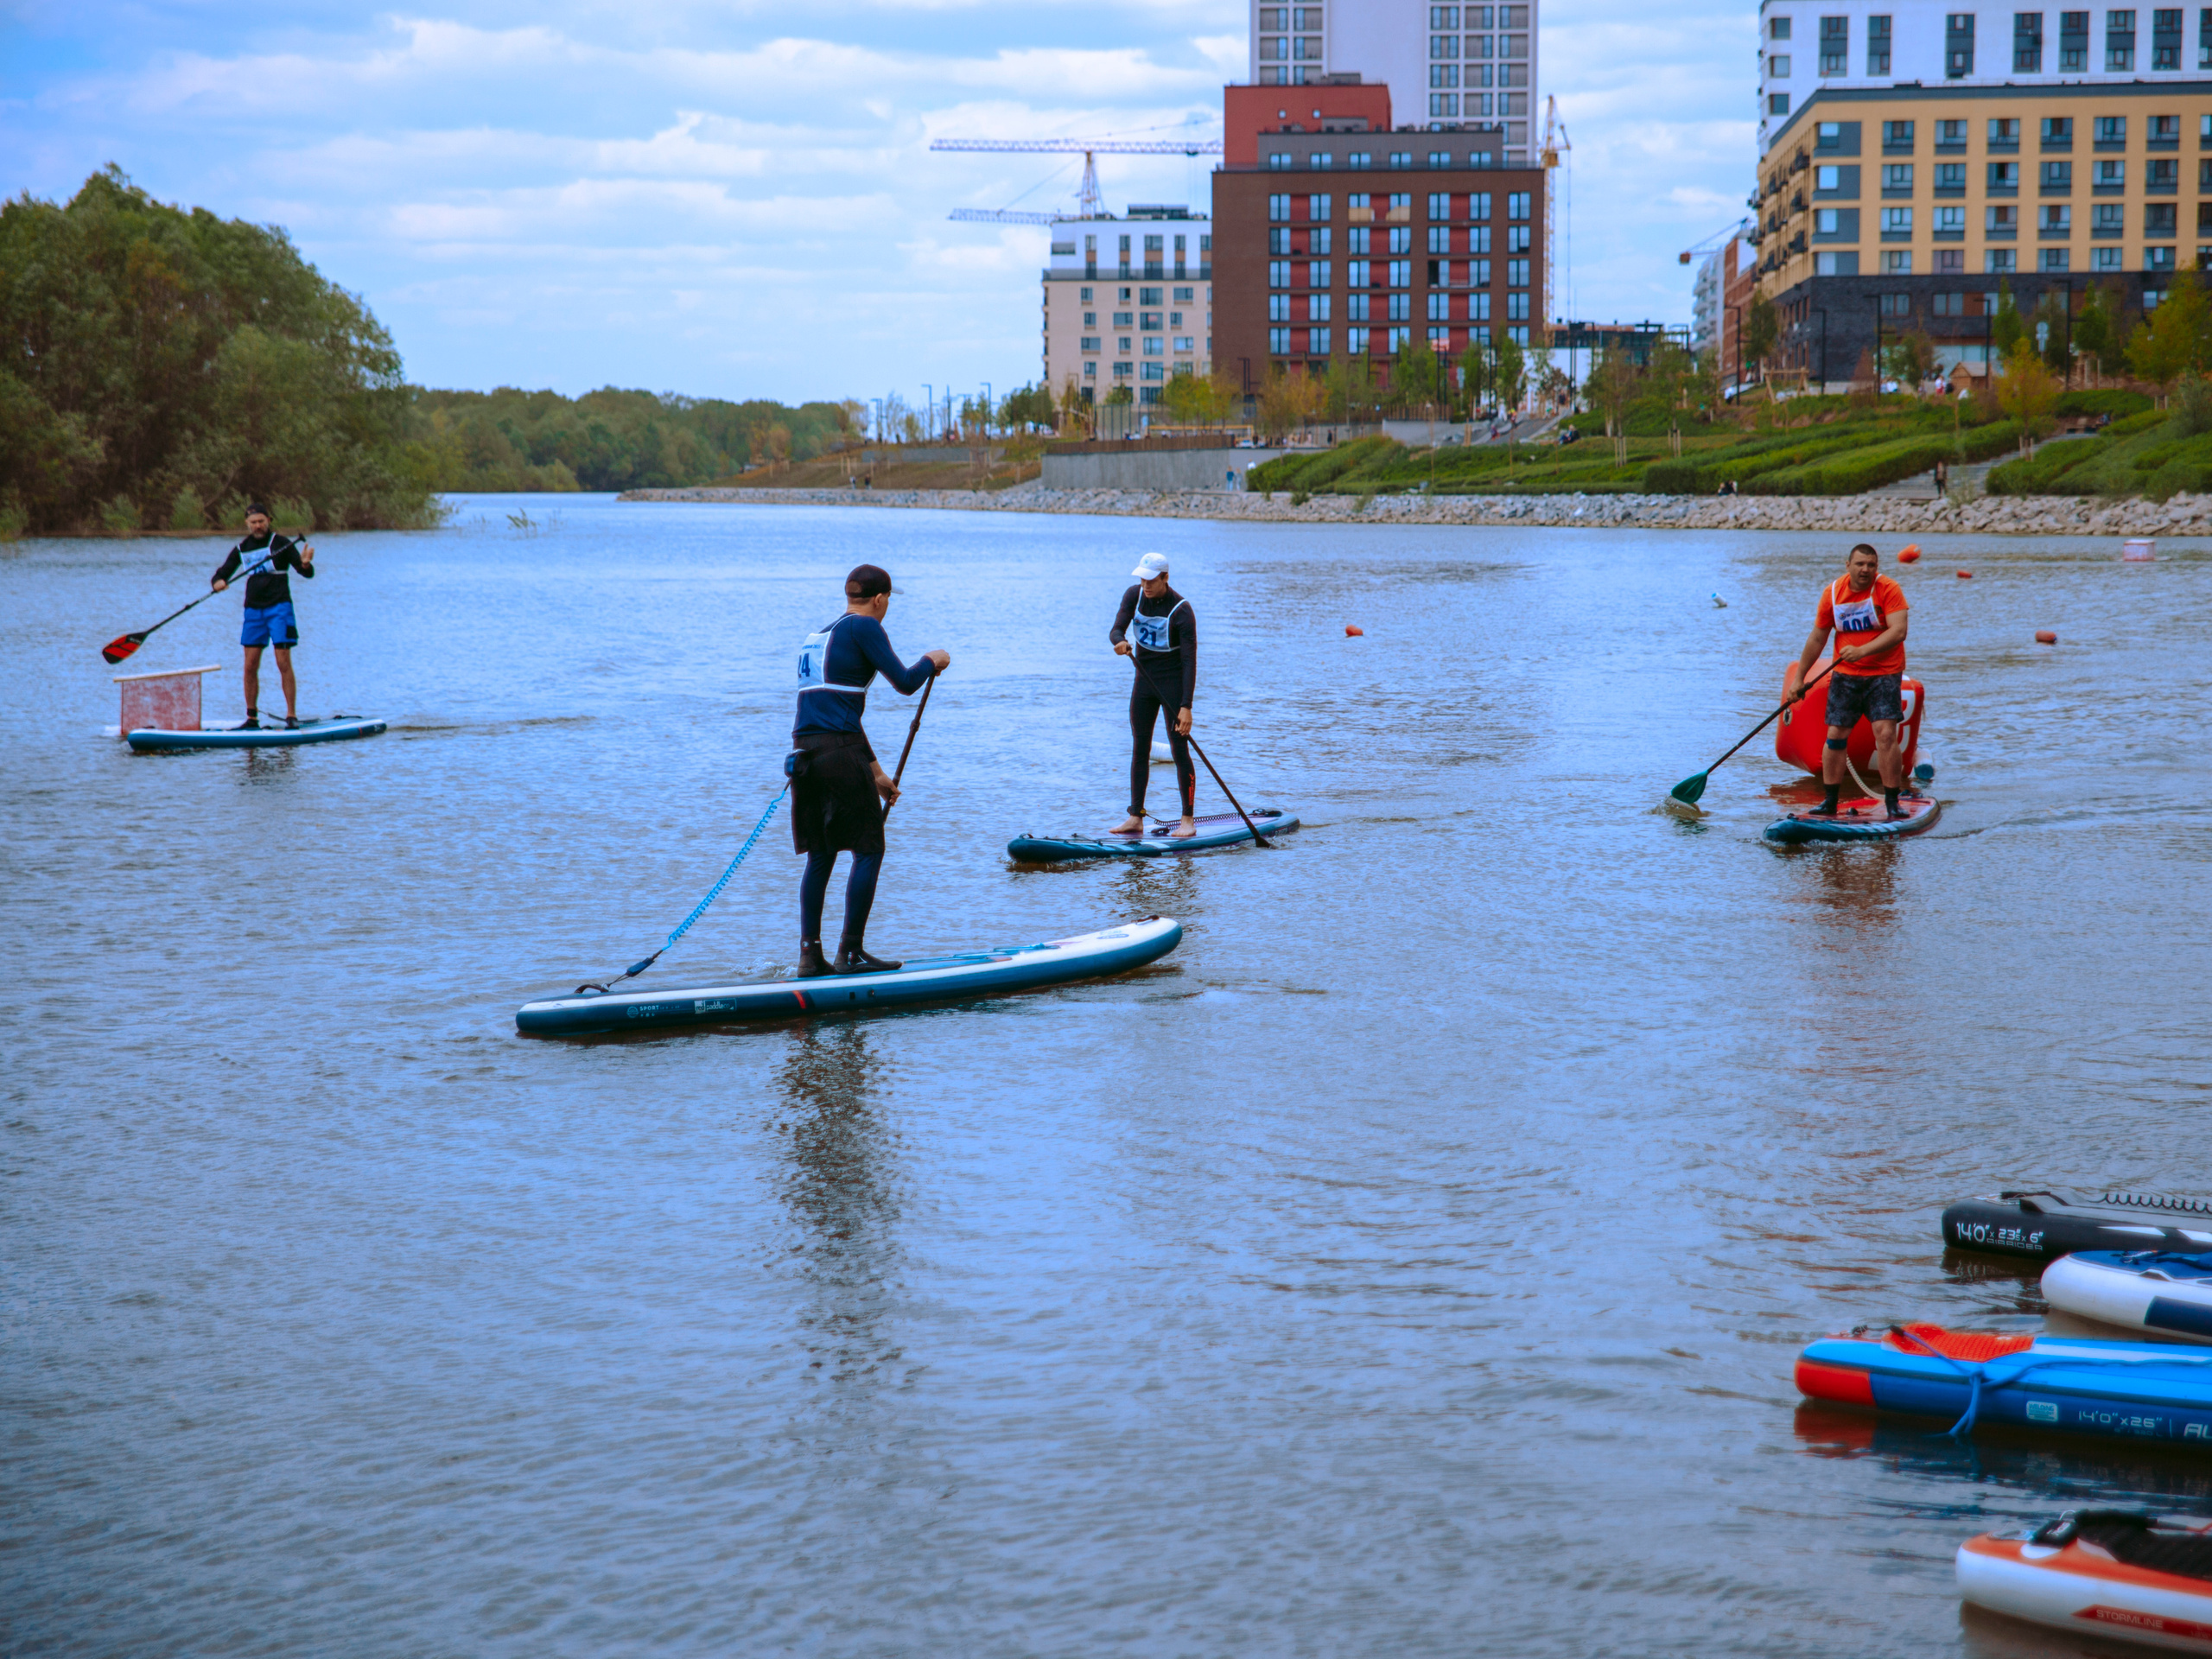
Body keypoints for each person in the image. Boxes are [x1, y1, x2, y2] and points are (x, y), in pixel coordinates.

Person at [789, 563, 949, 978]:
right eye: (888, 599)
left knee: (821, 855)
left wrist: (875, 771)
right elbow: (906, 682)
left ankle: (810, 956)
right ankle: (852, 952)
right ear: (880, 599)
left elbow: (834, 712)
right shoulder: (865, 627)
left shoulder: (817, 637)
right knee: (869, 849)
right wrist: (931, 661)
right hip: (840, 754)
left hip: (805, 754)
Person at [1787, 543, 1912, 820]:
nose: (1865, 570)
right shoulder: (1833, 593)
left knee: (1885, 734)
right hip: (1846, 676)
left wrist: (1862, 651)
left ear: (1877, 567)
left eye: (1871, 565)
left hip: (1883, 674)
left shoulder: (1889, 589)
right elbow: (1817, 637)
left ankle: (1893, 802)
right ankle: (1830, 801)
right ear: (1848, 566)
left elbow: (1899, 631)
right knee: (1835, 736)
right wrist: (1799, 678)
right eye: (1860, 564)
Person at [1109, 551, 1196, 838]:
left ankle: (1187, 820)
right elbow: (1116, 630)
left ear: (1165, 577)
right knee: (1140, 747)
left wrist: (1186, 706)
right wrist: (1120, 642)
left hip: (1173, 686)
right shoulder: (1133, 596)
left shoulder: (1182, 611)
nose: (1145, 586)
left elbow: (1189, 662)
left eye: (1151, 580)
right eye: (1142, 580)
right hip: (1144, 682)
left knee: (1179, 749)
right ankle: (1136, 817)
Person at [210, 501, 315, 729]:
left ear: (269, 521)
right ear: (247, 524)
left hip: (279, 609)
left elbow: (304, 572)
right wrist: (218, 582)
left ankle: (291, 716)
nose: (258, 526)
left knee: (283, 662)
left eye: (261, 521)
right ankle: (252, 718)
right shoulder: (242, 548)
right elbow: (222, 573)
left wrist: (306, 565)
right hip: (253, 611)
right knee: (249, 665)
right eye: (253, 522)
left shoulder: (281, 543)